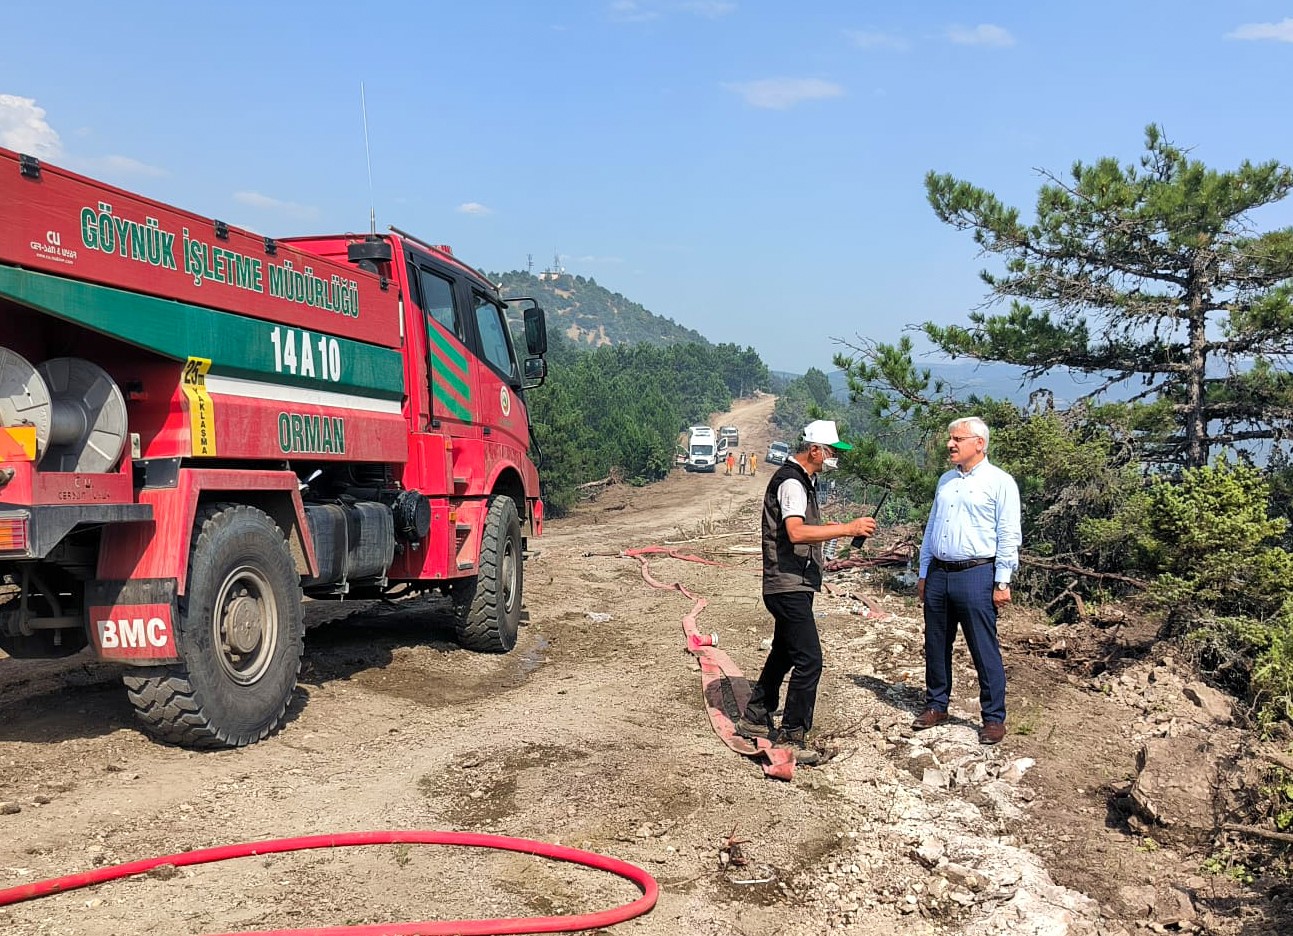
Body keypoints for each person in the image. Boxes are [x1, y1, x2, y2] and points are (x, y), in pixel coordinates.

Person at [736, 420, 877, 764]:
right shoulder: (792, 483)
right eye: (831, 452)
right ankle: (792, 734)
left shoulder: (805, 482)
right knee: (810, 659)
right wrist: (846, 529)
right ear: (814, 449)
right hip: (787, 583)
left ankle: (755, 715)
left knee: (785, 651)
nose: (833, 458)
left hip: (793, 581)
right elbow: (796, 533)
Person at [914, 416, 1021, 745]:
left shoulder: (1000, 482)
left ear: (979, 443)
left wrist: (1002, 581)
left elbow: (1008, 533)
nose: (950, 444)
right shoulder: (946, 480)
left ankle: (993, 718)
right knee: (936, 642)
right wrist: (923, 571)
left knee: (982, 647)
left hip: (977, 574)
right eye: (951, 438)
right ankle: (937, 704)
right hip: (940, 573)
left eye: (958, 439)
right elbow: (932, 526)